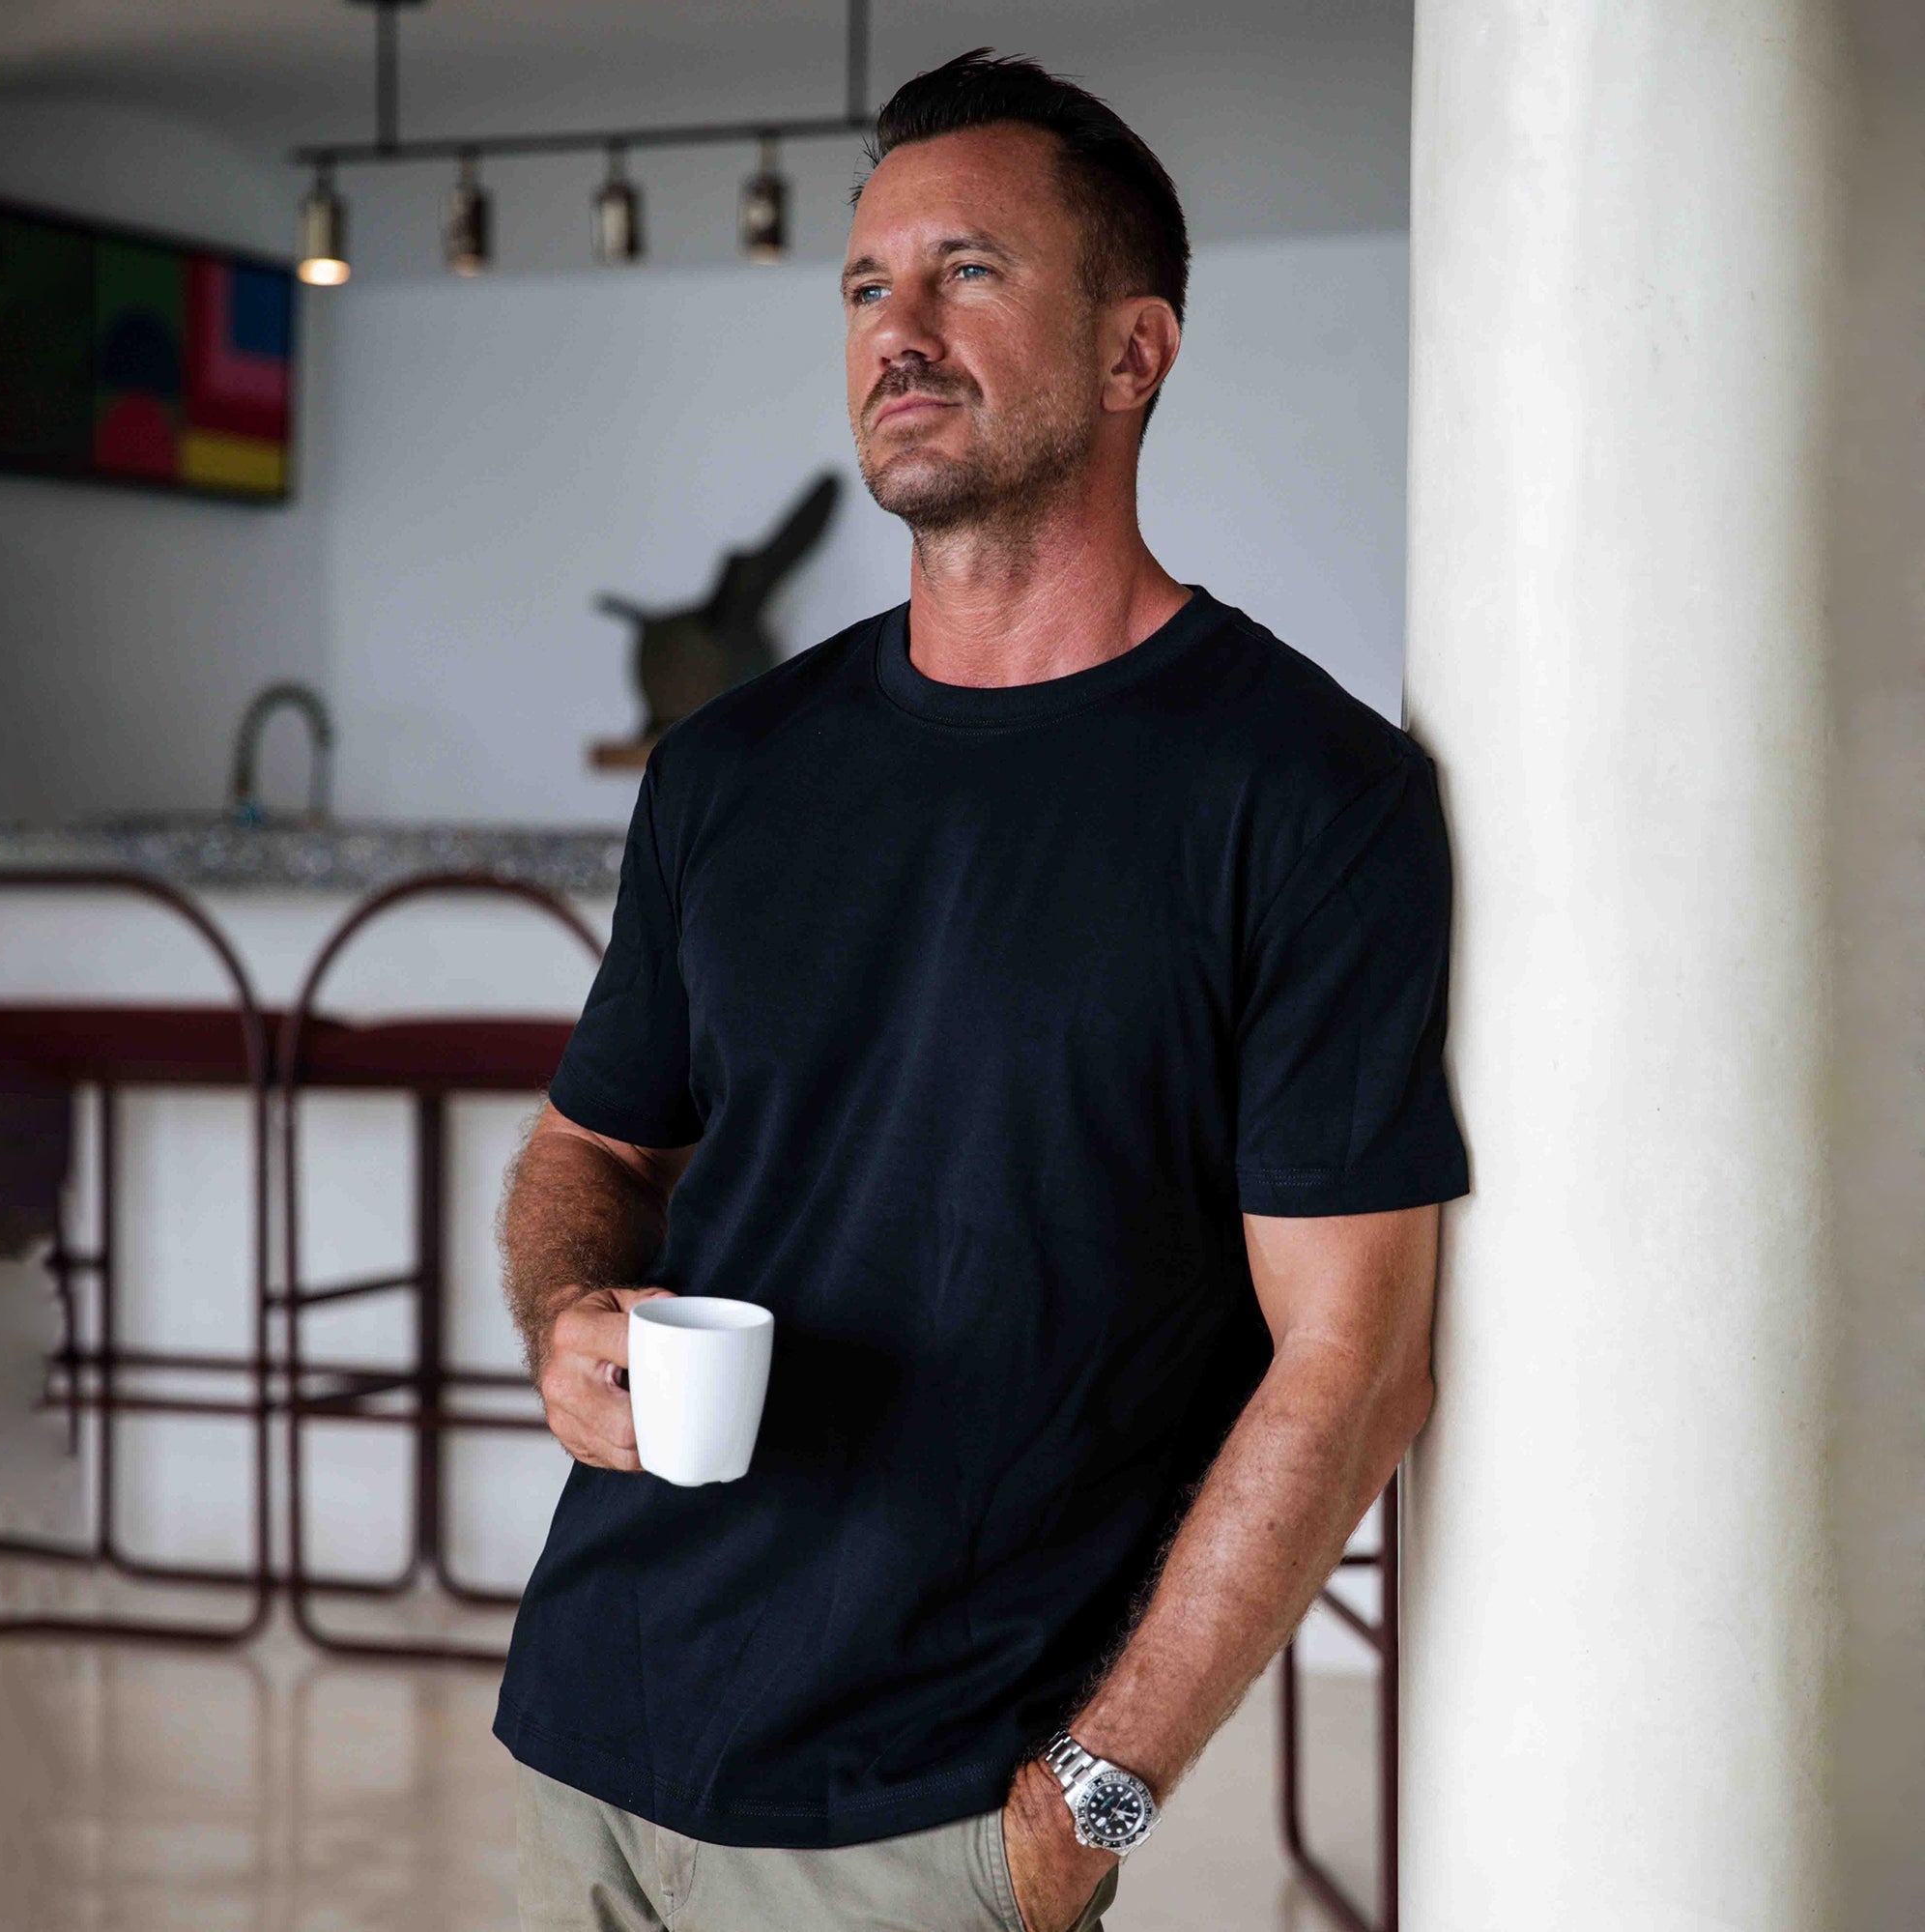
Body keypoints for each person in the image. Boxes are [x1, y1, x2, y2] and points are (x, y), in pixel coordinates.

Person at [496, 48, 1468, 1932]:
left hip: (927, 1816)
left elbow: (1354, 1366)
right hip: (589, 1727)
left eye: (968, 271)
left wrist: (1084, 1801)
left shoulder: (1304, 796)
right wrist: (563, 1315)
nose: (898, 328)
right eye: (868, 285)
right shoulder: (733, 766)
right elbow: (590, 1148)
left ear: (1133, 350)